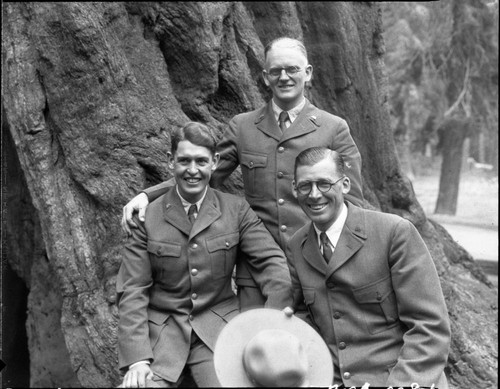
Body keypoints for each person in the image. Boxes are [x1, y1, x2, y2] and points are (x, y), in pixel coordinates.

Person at [121, 37, 364, 309]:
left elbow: (352, 200)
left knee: (314, 344)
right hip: (256, 268)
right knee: (254, 344)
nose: (284, 77)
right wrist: (147, 194)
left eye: (292, 69)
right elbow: (202, 175)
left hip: (315, 261)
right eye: (275, 71)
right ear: (264, 77)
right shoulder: (243, 126)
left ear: (307, 73)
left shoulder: (333, 128)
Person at [116, 122, 292, 388]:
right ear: (170, 161)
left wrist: (272, 325)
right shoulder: (146, 217)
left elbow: (272, 264)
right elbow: (132, 290)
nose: (193, 170)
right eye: (184, 161)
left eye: (201, 161)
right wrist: (138, 359)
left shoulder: (236, 210)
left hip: (219, 335)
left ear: (215, 162)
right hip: (160, 340)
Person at [285, 146, 451, 388]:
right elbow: (305, 317)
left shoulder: (393, 233)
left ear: (344, 184)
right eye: (304, 186)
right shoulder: (297, 245)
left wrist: (403, 383)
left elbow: (429, 327)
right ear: (294, 189)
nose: (314, 194)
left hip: (398, 377)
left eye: (324, 184)